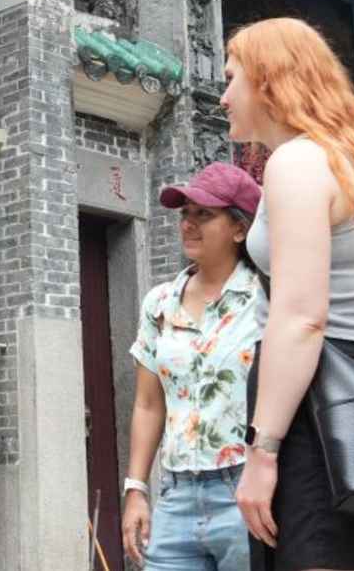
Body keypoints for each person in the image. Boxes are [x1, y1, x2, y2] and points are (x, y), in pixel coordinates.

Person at [223, 18, 354, 571]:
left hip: (315, 400)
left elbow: (302, 317)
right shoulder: (340, 160)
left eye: (231, 77)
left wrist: (263, 452)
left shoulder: (297, 163)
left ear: (268, 80)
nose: (223, 97)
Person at [123, 162, 264, 571]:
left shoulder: (265, 298)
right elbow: (149, 404)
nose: (188, 224)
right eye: (185, 213)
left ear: (240, 229)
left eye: (204, 214)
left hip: (245, 488)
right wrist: (136, 489)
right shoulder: (160, 303)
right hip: (176, 494)